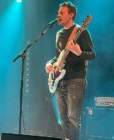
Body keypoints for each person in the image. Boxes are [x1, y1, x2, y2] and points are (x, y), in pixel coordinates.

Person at [45, 2, 95, 140]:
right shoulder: (59, 34)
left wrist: (80, 53)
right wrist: (50, 63)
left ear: (71, 15)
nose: (58, 15)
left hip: (76, 80)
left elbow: (92, 54)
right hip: (59, 80)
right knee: (62, 119)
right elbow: (58, 57)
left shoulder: (81, 31)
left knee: (73, 118)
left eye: (62, 13)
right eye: (58, 12)